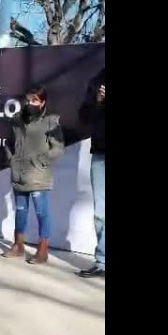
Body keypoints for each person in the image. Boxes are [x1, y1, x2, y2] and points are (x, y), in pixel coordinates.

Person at [2, 85, 65, 264]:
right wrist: (11, 160)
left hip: (39, 175)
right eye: (28, 100)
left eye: (35, 100)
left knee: (41, 212)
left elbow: (58, 148)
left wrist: (40, 160)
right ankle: (18, 245)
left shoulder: (51, 122)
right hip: (19, 174)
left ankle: (42, 249)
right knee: (20, 211)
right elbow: (8, 143)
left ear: (43, 102)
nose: (30, 103)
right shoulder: (16, 120)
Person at [77, 68, 105, 278]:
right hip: (100, 153)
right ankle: (102, 262)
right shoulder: (97, 80)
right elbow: (84, 117)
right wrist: (98, 101)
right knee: (100, 214)